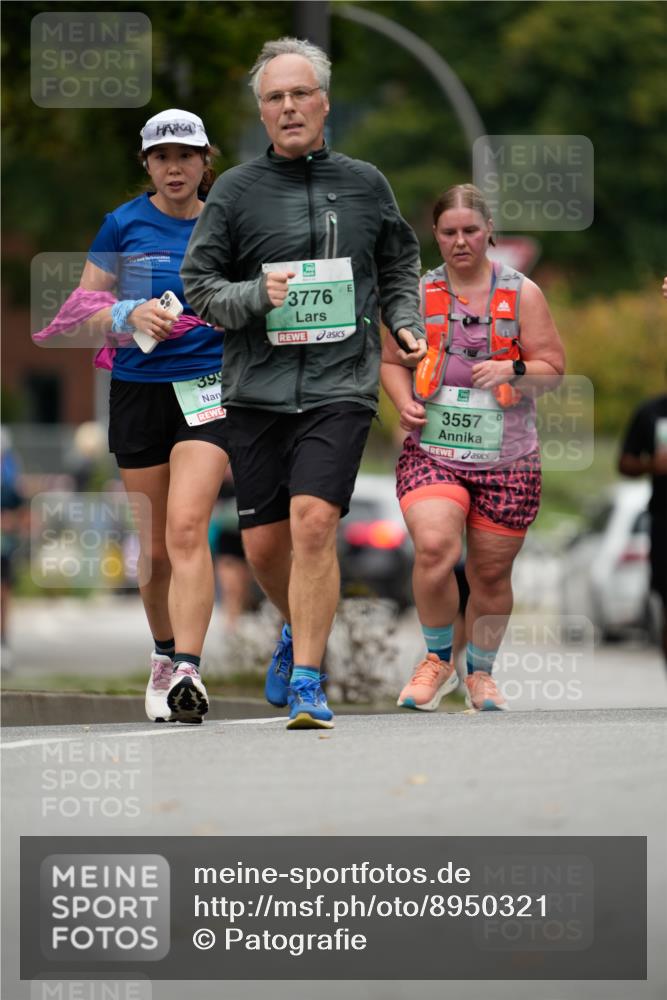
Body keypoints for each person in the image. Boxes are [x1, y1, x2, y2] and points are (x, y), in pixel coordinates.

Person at [181, 37, 426, 730]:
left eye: (299, 94)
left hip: (339, 383)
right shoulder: (233, 192)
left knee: (314, 524)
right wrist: (257, 294)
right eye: (273, 98)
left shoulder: (365, 183)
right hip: (255, 388)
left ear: (323, 102)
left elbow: (398, 264)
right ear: (261, 113)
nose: (288, 107)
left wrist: (402, 323)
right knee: (264, 547)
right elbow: (200, 289)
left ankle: (311, 681)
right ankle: (297, 628)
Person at [33, 110, 229, 723]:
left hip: (207, 389)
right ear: (146, 164)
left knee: (187, 527)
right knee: (155, 550)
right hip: (139, 389)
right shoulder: (122, 224)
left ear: (205, 163)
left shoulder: (227, 223)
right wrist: (128, 316)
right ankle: (165, 655)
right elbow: (78, 312)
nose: (175, 168)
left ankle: (190, 671)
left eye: (187, 156)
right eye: (162, 157)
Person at [381, 183, 565, 712]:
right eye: (449, 232)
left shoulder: (522, 293)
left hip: (508, 457)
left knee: (489, 573)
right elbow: (392, 362)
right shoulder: (418, 293)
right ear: (435, 236)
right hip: (433, 449)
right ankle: (437, 660)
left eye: (470, 230)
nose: (460, 241)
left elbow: (553, 368)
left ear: (489, 233)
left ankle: (479, 673)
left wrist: (514, 368)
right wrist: (403, 402)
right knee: (435, 549)